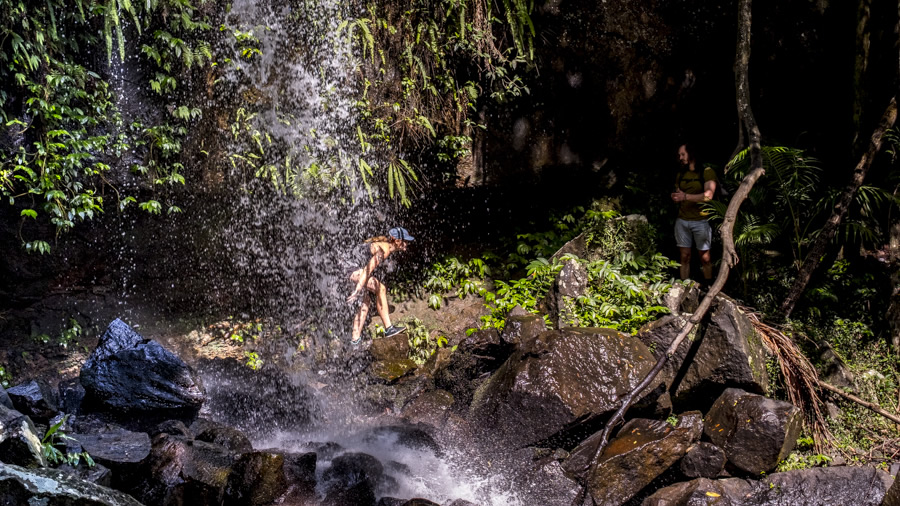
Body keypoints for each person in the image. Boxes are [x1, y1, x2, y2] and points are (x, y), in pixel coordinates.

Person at [346, 227, 414, 345]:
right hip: (347, 268)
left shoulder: (384, 247)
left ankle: (355, 340)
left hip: (347, 267)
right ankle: (389, 329)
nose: (407, 243)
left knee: (366, 301)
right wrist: (357, 289)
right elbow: (367, 270)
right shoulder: (384, 249)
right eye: (405, 240)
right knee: (380, 288)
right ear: (396, 240)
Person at [670, 143, 717, 288]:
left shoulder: (706, 171)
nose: (680, 157)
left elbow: (708, 195)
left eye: (683, 154)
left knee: (705, 257)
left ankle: (709, 287)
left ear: (691, 154)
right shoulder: (681, 173)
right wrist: (676, 197)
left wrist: (685, 197)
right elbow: (679, 193)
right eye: (679, 155)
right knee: (684, 257)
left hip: (701, 221)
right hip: (682, 220)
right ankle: (684, 288)